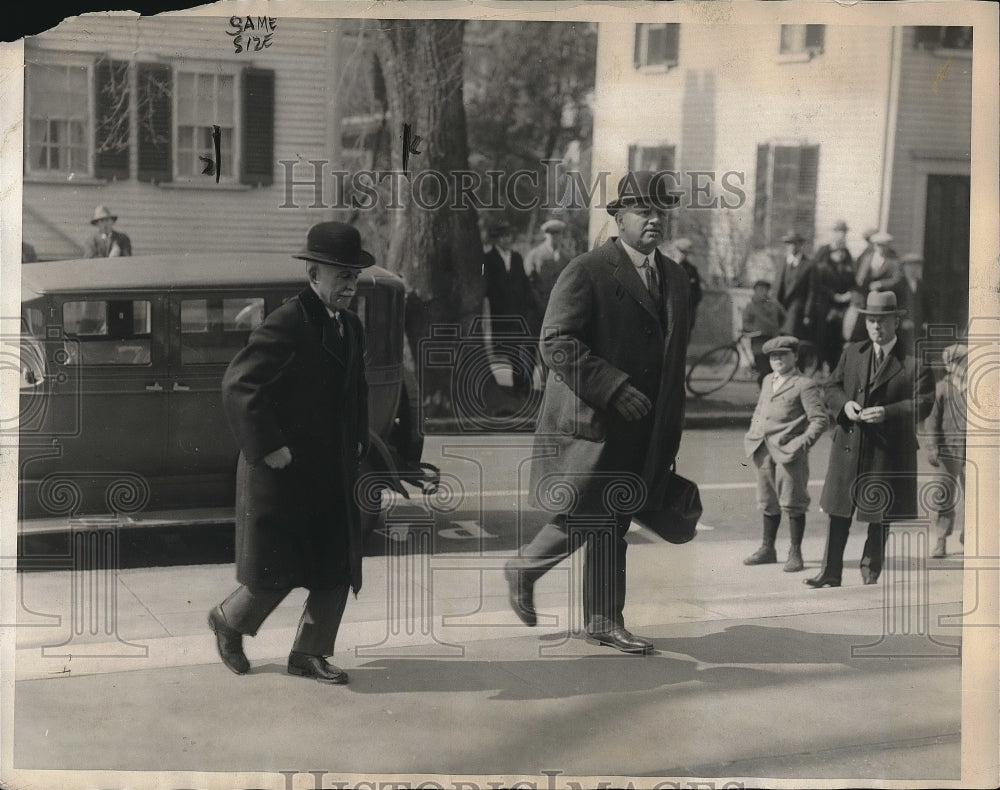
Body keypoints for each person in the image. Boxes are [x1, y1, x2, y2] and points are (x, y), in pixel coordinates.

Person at [503, 170, 690, 654]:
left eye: (659, 211)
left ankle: (604, 620)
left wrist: (667, 428)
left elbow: (672, 359)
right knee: (589, 514)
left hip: (643, 428)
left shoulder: (674, 277)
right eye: (643, 211)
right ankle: (526, 569)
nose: (654, 219)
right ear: (618, 217)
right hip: (596, 424)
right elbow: (556, 341)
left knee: (614, 519)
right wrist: (612, 386)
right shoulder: (588, 270)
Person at [207, 221, 373, 684]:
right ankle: (227, 621)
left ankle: (309, 654)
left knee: (336, 566)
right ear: (313, 274)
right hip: (283, 470)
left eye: (354, 274)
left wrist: (360, 435)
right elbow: (239, 385)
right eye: (340, 273)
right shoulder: (288, 321)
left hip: (329, 471)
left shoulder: (352, 327)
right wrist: (269, 446)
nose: (349, 283)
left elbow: (356, 389)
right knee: (275, 570)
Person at [806, 291, 935, 588]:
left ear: (896, 322)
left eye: (883, 321)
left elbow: (925, 401)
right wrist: (844, 405)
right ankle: (830, 571)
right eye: (872, 321)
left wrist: (888, 412)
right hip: (850, 443)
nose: (876, 327)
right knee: (839, 510)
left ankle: (870, 570)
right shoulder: (853, 352)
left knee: (879, 513)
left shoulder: (914, 361)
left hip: (887, 447)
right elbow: (832, 386)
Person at [743, 336, 828, 572]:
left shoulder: (804, 384)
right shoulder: (768, 380)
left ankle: (795, 552)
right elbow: (760, 411)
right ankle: (767, 548)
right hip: (762, 449)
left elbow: (819, 420)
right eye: (773, 356)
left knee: (793, 502)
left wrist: (801, 443)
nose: (777, 359)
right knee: (767, 500)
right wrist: (753, 432)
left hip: (790, 452)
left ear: (795, 356)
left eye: (783, 354)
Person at [483, 221, 536, 396]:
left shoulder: (516, 257)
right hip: (502, 314)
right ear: (496, 239)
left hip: (520, 312)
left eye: (509, 236)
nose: (507, 239)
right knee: (512, 351)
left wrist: (531, 305)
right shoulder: (488, 259)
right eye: (503, 236)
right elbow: (488, 287)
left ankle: (523, 387)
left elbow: (524, 284)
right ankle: (519, 388)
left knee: (525, 349)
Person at [926, 343, 968, 558]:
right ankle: (941, 539)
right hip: (947, 450)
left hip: (971, 451)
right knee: (943, 495)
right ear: (949, 365)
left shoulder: (977, 388)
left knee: (975, 496)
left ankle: (969, 537)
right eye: (956, 362)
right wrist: (932, 447)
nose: (961, 365)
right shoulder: (942, 388)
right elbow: (931, 421)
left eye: (964, 361)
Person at [812, 220, 856, 372]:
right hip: (825, 305)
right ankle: (819, 367)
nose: (841, 235)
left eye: (844, 232)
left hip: (843, 306)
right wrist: (833, 295)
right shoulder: (823, 252)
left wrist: (848, 294)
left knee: (840, 338)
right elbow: (816, 281)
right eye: (839, 232)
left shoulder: (848, 255)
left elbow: (853, 278)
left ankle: (835, 368)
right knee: (823, 337)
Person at [849, 231, 900, 341]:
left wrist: (881, 284)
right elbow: (859, 277)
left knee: (879, 326)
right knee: (861, 326)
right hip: (866, 297)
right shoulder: (868, 257)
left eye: (883, 245)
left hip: (882, 298)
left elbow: (896, 279)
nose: (880, 248)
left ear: (887, 246)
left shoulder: (893, 260)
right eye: (878, 245)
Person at [772, 230, 816, 343]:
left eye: (794, 243)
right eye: (789, 243)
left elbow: (812, 292)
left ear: (800, 245)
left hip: (797, 310)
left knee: (790, 339)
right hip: (780, 308)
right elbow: (777, 287)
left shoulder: (808, 265)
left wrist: (807, 314)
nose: (791, 247)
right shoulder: (782, 262)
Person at [742, 280, 787, 386]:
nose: (763, 293)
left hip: (773, 342)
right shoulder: (750, 306)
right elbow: (745, 324)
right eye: (760, 290)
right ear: (755, 291)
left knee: (774, 369)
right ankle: (765, 391)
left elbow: (784, 316)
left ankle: (770, 393)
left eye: (766, 290)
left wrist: (779, 329)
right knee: (764, 371)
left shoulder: (774, 304)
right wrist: (756, 330)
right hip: (759, 344)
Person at [893, 253, 933, 353]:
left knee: (919, 350)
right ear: (904, 268)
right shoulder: (898, 286)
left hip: (919, 325)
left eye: (916, 266)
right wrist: (901, 321)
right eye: (909, 266)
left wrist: (927, 322)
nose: (913, 269)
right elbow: (893, 308)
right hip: (903, 327)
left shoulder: (923, 286)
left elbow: (929, 307)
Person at [672, 237, 703, 331]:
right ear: (675, 251)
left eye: (686, 252)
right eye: (681, 252)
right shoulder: (666, 267)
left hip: (686, 314)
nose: (683, 255)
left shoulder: (691, 270)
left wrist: (689, 307)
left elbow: (698, 293)